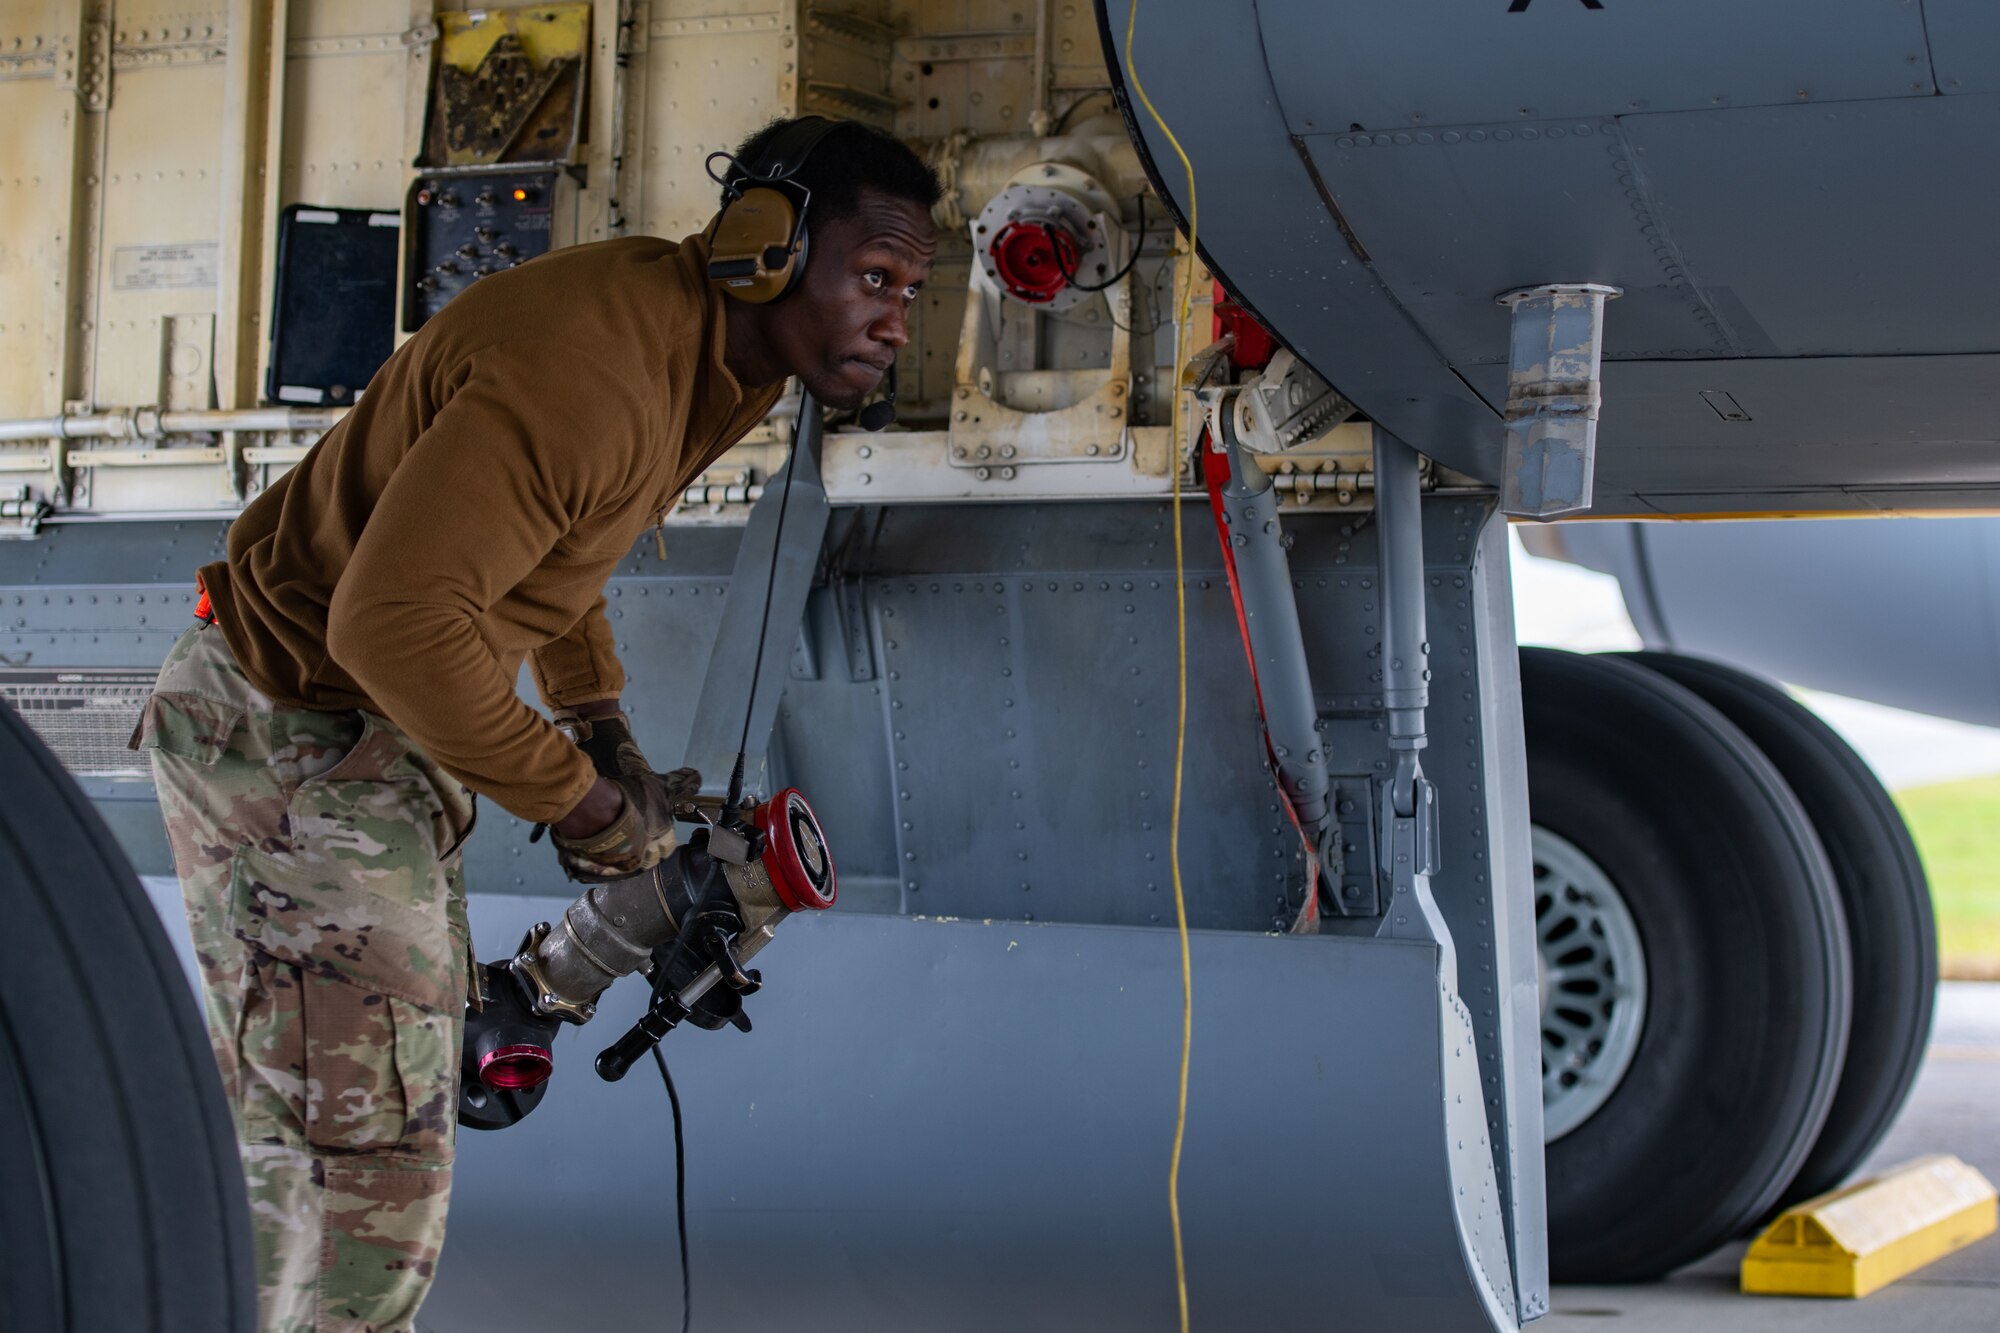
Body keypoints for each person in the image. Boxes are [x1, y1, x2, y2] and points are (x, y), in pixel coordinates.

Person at [134, 117, 940, 1332]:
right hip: (293, 734)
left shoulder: (698, 354)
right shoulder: (601, 370)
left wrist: (597, 716)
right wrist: (582, 801)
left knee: (345, 1118)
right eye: (874, 279)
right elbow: (391, 626)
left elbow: (562, 551)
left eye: (911, 292)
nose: (895, 320)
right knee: (351, 1165)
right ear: (767, 247)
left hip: (358, 742)